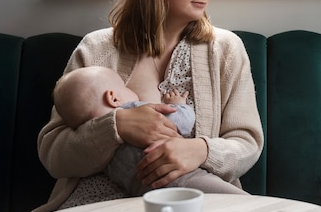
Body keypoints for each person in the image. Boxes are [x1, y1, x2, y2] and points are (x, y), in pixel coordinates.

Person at [26, 0, 263, 212]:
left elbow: (247, 142)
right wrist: (116, 126)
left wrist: (199, 151)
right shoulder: (96, 48)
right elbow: (54, 153)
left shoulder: (226, 49)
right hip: (96, 210)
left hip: (191, 206)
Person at [53, 66, 245, 196]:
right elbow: (182, 122)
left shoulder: (105, 156)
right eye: (124, 87)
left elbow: (247, 143)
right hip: (182, 180)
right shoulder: (133, 108)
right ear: (113, 98)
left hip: (140, 194)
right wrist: (178, 105)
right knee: (245, 203)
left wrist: (201, 150)